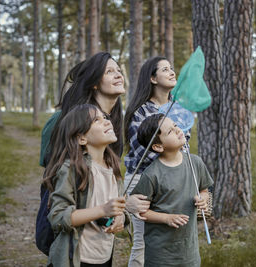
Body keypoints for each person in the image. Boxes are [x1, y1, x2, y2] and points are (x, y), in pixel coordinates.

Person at [39, 52, 150, 226]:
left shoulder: (111, 125)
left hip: (100, 234)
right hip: (70, 230)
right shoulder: (62, 120)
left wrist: (121, 210)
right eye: (109, 72)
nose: (119, 75)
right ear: (95, 83)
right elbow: (58, 179)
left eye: (119, 70)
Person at [43, 104, 127, 267]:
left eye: (105, 118)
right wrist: (102, 210)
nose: (107, 122)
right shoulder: (71, 169)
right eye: (97, 120)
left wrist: (121, 217)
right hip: (76, 258)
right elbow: (58, 216)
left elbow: (118, 207)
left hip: (104, 256)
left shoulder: (113, 168)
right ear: (82, 138)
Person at [130, 113, 213, 267]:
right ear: (158, 146)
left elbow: (204, 189)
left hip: (188, 251)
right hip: (160, 255)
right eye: (170, 131)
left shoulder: (195, 162)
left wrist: (203, 199)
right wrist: (166, 219)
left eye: (175, 125)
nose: (177, 130)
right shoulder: (151, 174)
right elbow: (141, 212)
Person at [123, 56, 178, 266]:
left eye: (172, 68)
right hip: (142, 180)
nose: (172, 72)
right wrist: (172, 158)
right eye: (165, 69)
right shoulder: (141, 112)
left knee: (169, 240)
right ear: (153, 78)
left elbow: (184, 145)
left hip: (171, 180)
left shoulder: (177, 108)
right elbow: (142, 153)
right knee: (143, 243)